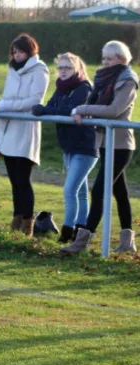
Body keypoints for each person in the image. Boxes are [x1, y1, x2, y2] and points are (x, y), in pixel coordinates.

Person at [62, 41, 139, 254]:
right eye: (104, 58)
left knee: (99, 191)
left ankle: (81, 242)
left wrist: (82, 109)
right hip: (105, 142)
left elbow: (114, 109)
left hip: (121, 145)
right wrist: (84, 110)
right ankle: (127, 242)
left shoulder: (128, 80)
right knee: (120, 192)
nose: (105, 62)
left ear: (122, 60)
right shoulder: (104, 79)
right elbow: (99, 105)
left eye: (110, 58)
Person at [32, 53, 98, 243]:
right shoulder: (60, 88)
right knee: (80, 191)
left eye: (67, 68)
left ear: (77, 68)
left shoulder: (83, 88)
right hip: (68, 146)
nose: (62, 71)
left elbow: (70, 109)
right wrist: (43, 109)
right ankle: (80, 230)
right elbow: (53, 106)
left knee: (70, 189)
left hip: (85, 146)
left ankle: (67, 231)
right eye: (60, 68)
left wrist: (45, 110)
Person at [0, 33, 49, 236]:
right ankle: (16, 218)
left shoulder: (40, 70)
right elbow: (10, 96)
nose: (17, 55)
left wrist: (4, 105)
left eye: (21, 51)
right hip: (8, 127)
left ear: (30, 51)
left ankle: (27, 222)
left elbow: (33, 100)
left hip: (24, 128)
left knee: (23, 179)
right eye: (14, 52)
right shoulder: (12, 70)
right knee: (14, 179)